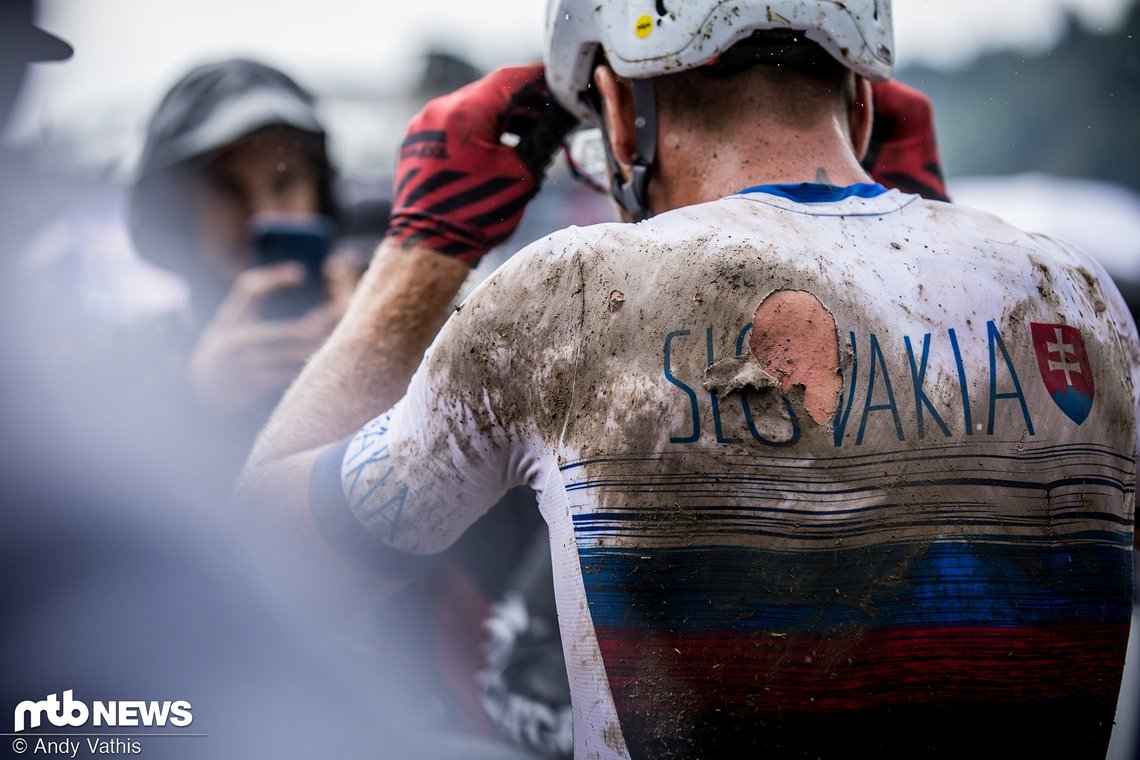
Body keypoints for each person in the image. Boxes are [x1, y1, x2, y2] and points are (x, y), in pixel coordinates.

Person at [237, 1, 1138, 757]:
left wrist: (422, 252)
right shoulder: (1082, 297)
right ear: (862, 103)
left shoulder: (569, 297)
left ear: (622, 114)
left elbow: (262, 568)